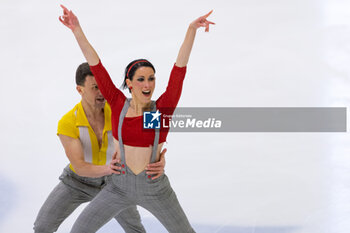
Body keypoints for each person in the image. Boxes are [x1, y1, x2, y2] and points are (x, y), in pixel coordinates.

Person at [59, 4, 214, 233]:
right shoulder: (118, 104)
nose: (148, 84)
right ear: (129, 83)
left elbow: (179, 71)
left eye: (151, 79)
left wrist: (191, 30)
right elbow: (96, 65)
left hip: (155, 188)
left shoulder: (161, 111)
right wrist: (76, 29)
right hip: (118, 186)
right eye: (141, 79)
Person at [33, 62, 167, 233]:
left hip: (116, 182)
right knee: (42, 227)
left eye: (102, 86)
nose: (101, 92)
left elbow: (154, 132)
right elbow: (80, 167)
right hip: (77, 182)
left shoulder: (121, 110)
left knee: (135, 229)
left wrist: (159, 160)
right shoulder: (68, 122)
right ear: (79, 90)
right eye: (95, 87)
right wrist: (109, 169)